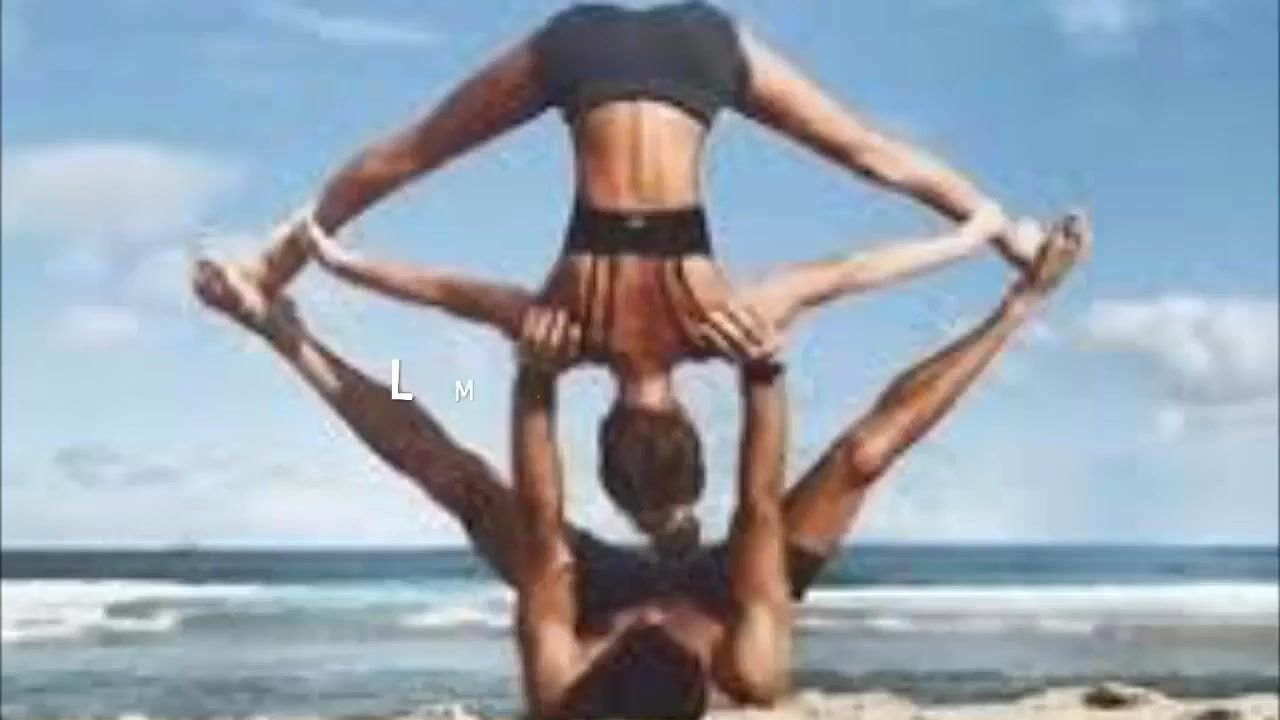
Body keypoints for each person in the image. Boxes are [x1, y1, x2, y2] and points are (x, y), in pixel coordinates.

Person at [194, 193, 1088, 717]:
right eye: (658, 652)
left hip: (587, 587)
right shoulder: (747, 663)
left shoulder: (563, 680)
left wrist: (535, 379)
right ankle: (1021, 305)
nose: (649, 633)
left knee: (452, 474)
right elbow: (760, 509)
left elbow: (542, 525)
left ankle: (285, 333)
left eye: (632, 649)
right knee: (860, 455)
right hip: (728, 591)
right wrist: (764, 372)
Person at [197, 1, 1044, 552]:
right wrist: (339, 261)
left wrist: (968, 238)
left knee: (412, 152)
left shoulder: (725, 323)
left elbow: (851, 271)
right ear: (599, 430)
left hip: (696, 46)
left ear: (692, 428)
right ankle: (275, 265)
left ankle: (1011, 233)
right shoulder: (567, 330)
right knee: (869, 151)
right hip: (586, 52)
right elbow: (449, 294)